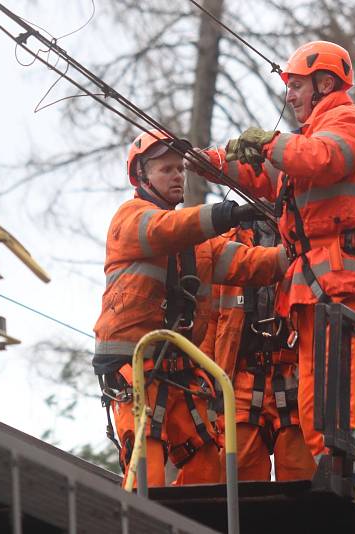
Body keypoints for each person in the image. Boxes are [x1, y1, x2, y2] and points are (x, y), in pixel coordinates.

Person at [189, 41, 355, 463]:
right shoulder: (307, 139)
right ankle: (333, 467)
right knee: (314, 394)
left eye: (297, 85)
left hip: (347, 279)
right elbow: (269, 173)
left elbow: (322, 159)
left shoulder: (349, 121)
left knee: (337, 391)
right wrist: (212, 161)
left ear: (325, 84)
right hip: (318, 285)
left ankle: (350, 469)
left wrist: (269, 142)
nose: (289, 95)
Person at [93, 130, 289, 488]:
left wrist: (297, 249)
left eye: (180, 169)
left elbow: (252, 263)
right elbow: (166, 229)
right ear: (141, 176)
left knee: (207, 464)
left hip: (177, 367)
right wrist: (226, 214)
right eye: (166, 169)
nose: (177, 176)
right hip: (134, 364)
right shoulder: (130, 218)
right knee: (147, 468)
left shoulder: (198, 246)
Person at [201, 218, 315, 482]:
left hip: (296, 375)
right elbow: (208, 319)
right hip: (240, 377)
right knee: (235, 478)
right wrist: (204, 382)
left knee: (302, 482)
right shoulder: (227, 243)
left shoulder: (309, 238)